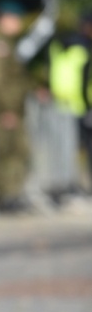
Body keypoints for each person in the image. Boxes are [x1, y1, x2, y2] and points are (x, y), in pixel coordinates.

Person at [0, 0, 34, 212]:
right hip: (6, 110)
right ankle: (6, 197)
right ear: (5, 18)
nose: (19, 24)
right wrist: (8, 109)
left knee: (16, 153)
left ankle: (11, 195)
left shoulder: (7, 43)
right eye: (15, 19)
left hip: (13, 108)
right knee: (9, 154)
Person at [48, 11, 92, 190]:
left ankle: (70, 186)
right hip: (83, 105)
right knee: (84, 149)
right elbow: (84, 80)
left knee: (67, 149)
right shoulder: (84, 48)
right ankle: (77, 186)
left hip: (63, 104)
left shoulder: (61, 45)